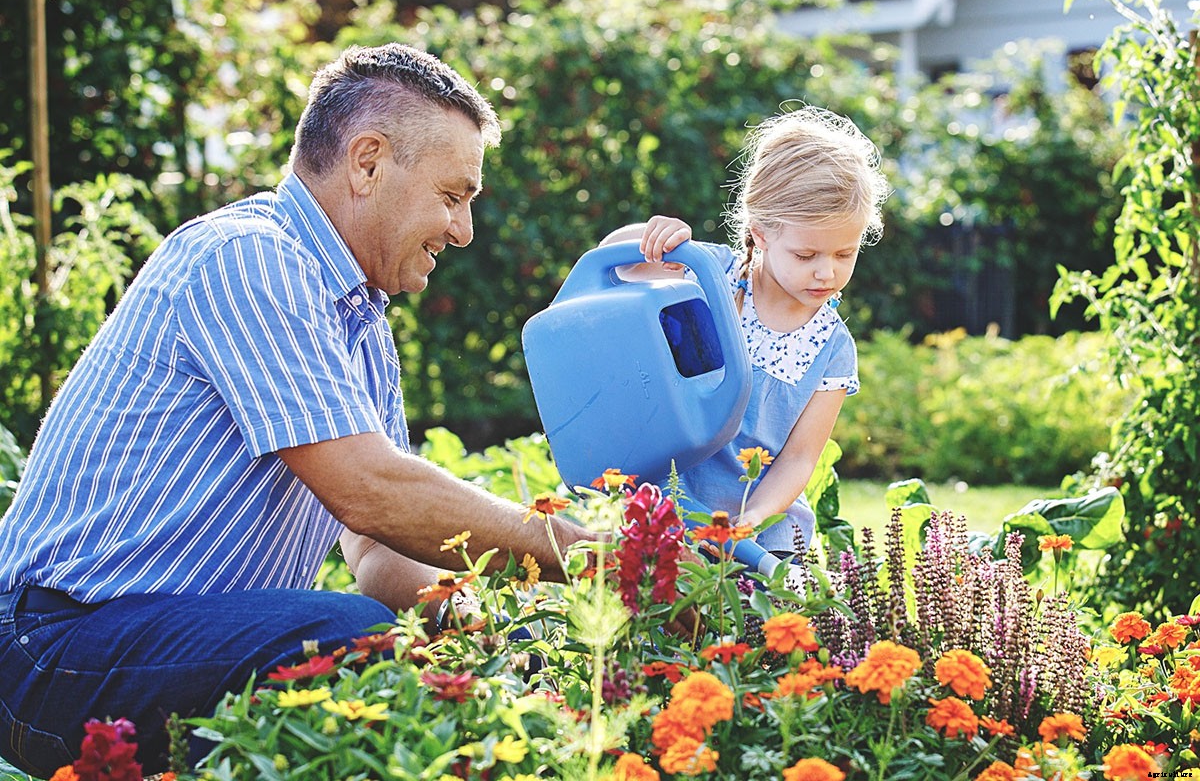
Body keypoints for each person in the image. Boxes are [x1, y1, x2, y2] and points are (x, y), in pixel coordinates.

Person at [0, 43, 597, 777]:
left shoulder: (361, 328)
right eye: (453, 195)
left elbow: (378, 551)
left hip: (138, 643)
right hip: (52, 646)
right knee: (346, 636)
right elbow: (369, 491)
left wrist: (478, 632)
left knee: (382, 642)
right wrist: (580, 551)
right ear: (368, 161)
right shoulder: (249, 257)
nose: (464, 230)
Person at [601, 105, 889, 558]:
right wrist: (653, 236)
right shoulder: (708, 275)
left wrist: (750, 523)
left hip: (763, 541)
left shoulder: (832, 350)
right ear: (760, 233)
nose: (825, 272)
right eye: (806, 255)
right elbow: (612, 268)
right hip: (670, 516)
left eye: (844, 254)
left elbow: (798, 459)